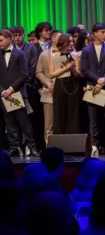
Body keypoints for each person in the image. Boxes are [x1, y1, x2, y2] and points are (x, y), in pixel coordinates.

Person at [0, 29, 39, 157]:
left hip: (17, 93)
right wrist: (3, 91)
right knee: (9, 123)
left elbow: (24, 74)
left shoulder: (20, 54)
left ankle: (31, 146)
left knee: (24, 122)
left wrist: (11, 89)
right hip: (4, 95)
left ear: (9, 39)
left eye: (1, 40)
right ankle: (14, 146)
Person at [81, 23, 105, 156]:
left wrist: (103, 79)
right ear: (95, 33)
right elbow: (84, 69)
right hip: (92, 86)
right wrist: (97, 80)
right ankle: (94, 145)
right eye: (102, 32)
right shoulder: (86, 50)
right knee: (93, 118)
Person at [49, 33, 82, 135]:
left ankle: (74, 142)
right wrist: (65, 68)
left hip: (74, 86)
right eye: (70, 41)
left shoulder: (75, 56)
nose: (72, 43)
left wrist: (72, 68)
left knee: (74, 114)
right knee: (59, 114)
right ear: (63, 43)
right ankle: (60, 141)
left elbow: (79, 74)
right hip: (60, 86)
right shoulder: (54, 56)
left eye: (72, 41)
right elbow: (51, 74)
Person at [36, 30, 62, 145]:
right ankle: (49, 146)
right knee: (49, 122)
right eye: (60, 37)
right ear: (53, 38)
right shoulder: (44, 54)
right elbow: (38, 72)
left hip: (63, 90)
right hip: (48, 90)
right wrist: (47, 82)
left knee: (61, 120)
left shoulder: (65, 53)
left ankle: (64, 146)